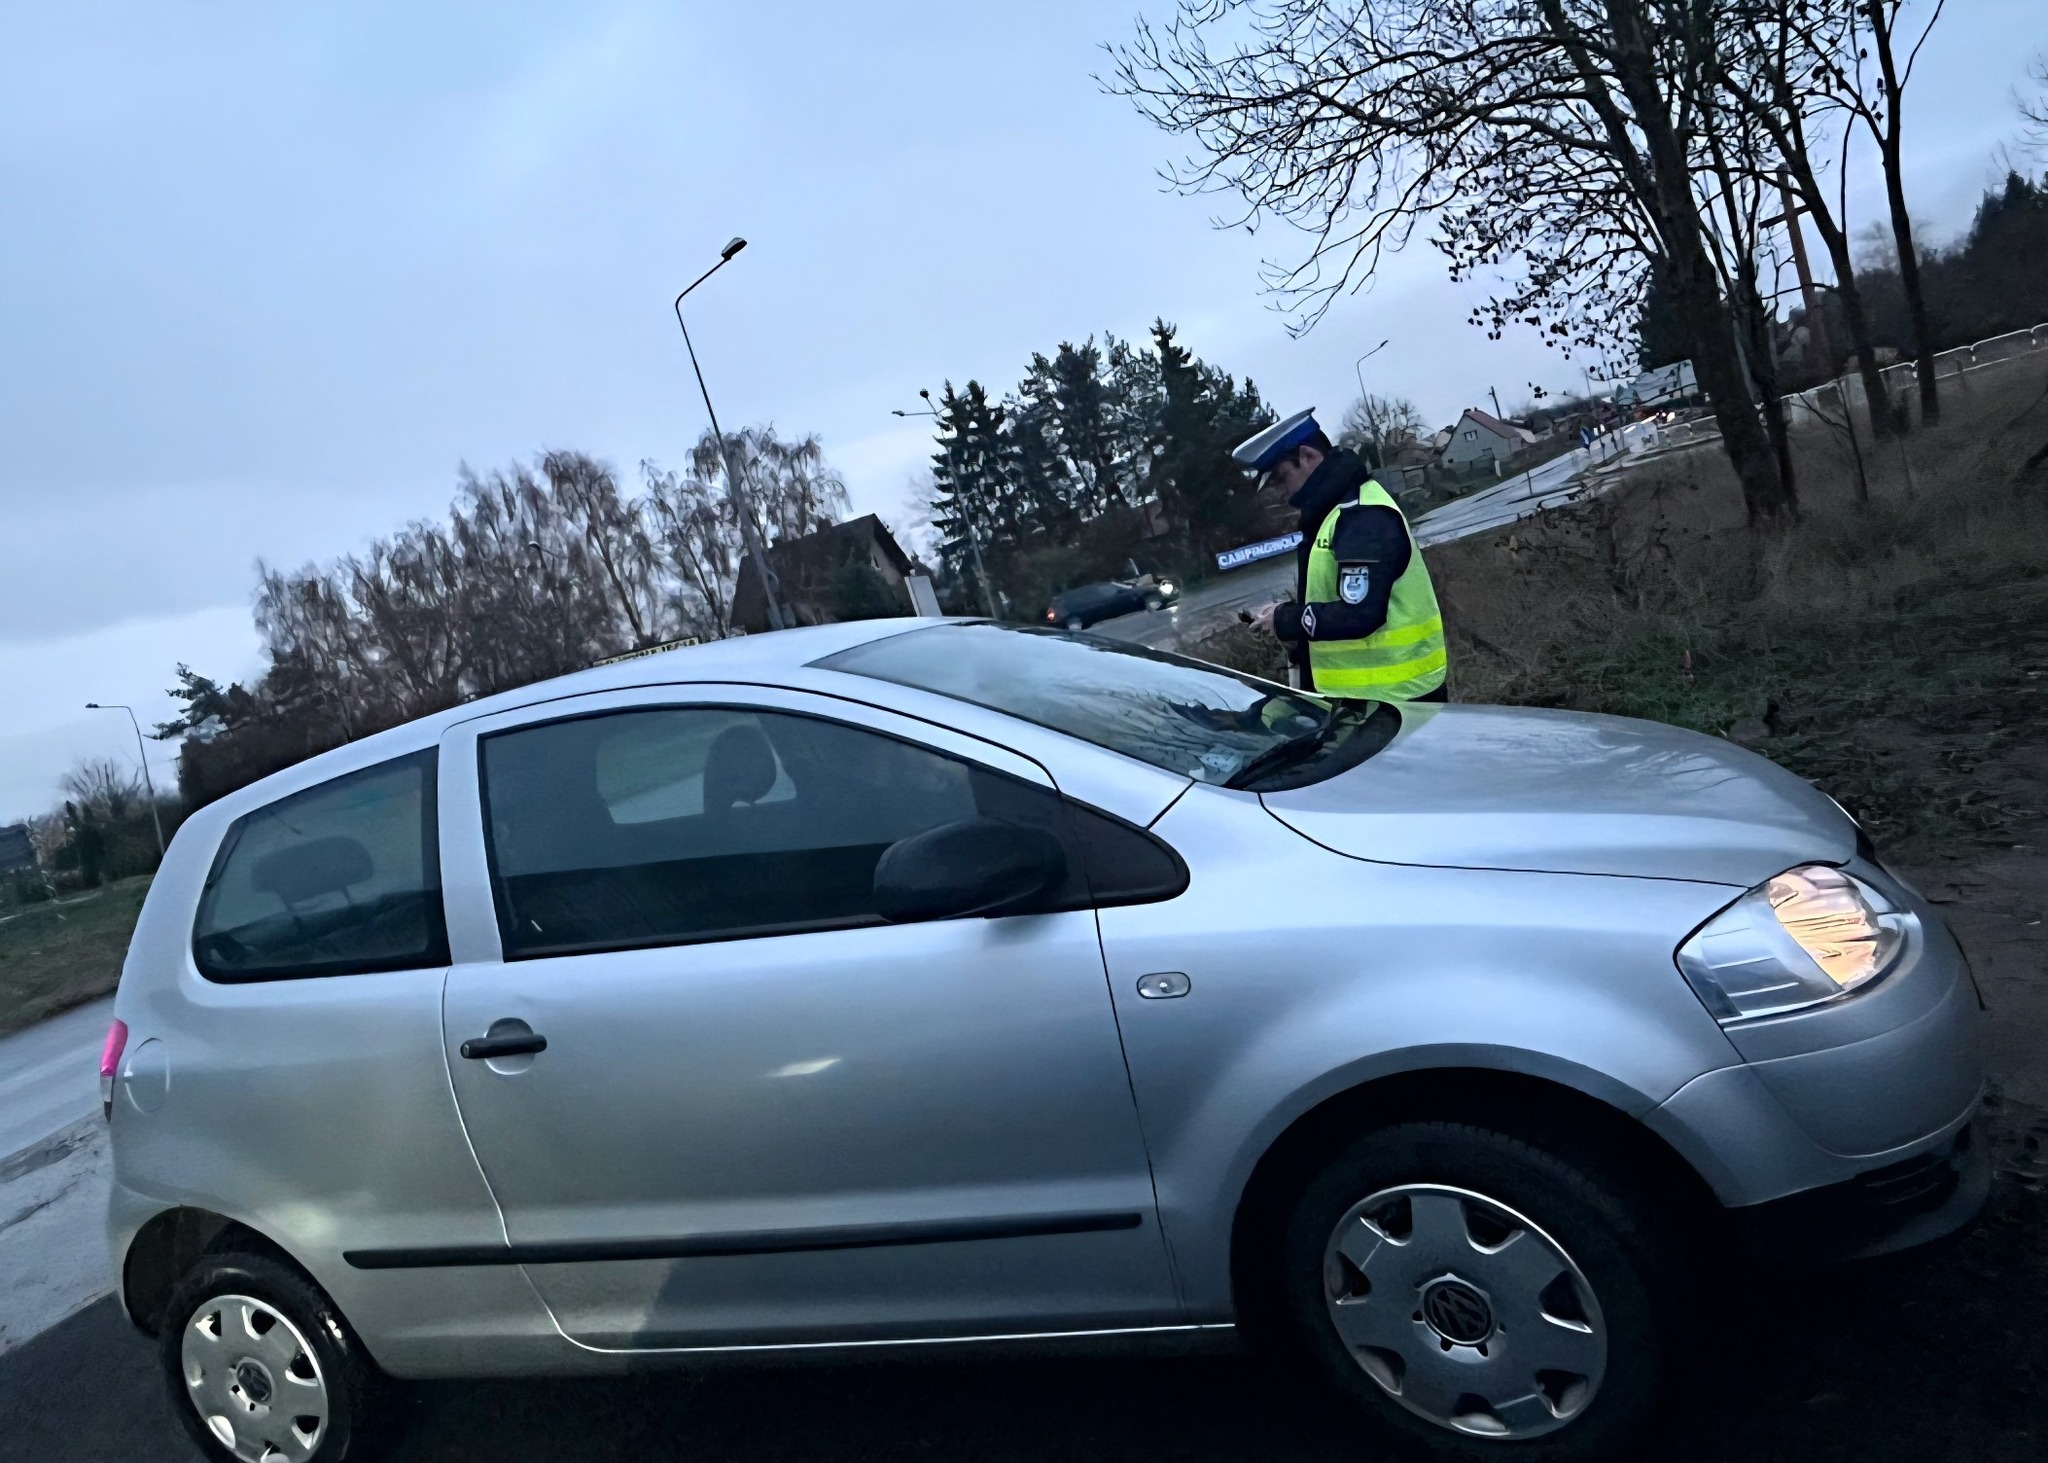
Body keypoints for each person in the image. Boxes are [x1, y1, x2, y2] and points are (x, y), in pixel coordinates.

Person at [1235, 408, 1448, 702]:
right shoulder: (1333, 512)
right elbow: (1344, 597)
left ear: (1308, 457)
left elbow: (1360, 614)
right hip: (1367, 699)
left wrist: (1287, 619)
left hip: (1397, 703)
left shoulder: (1362, 516)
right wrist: (1281, 613)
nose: (1280, 493)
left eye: (1282, 478)